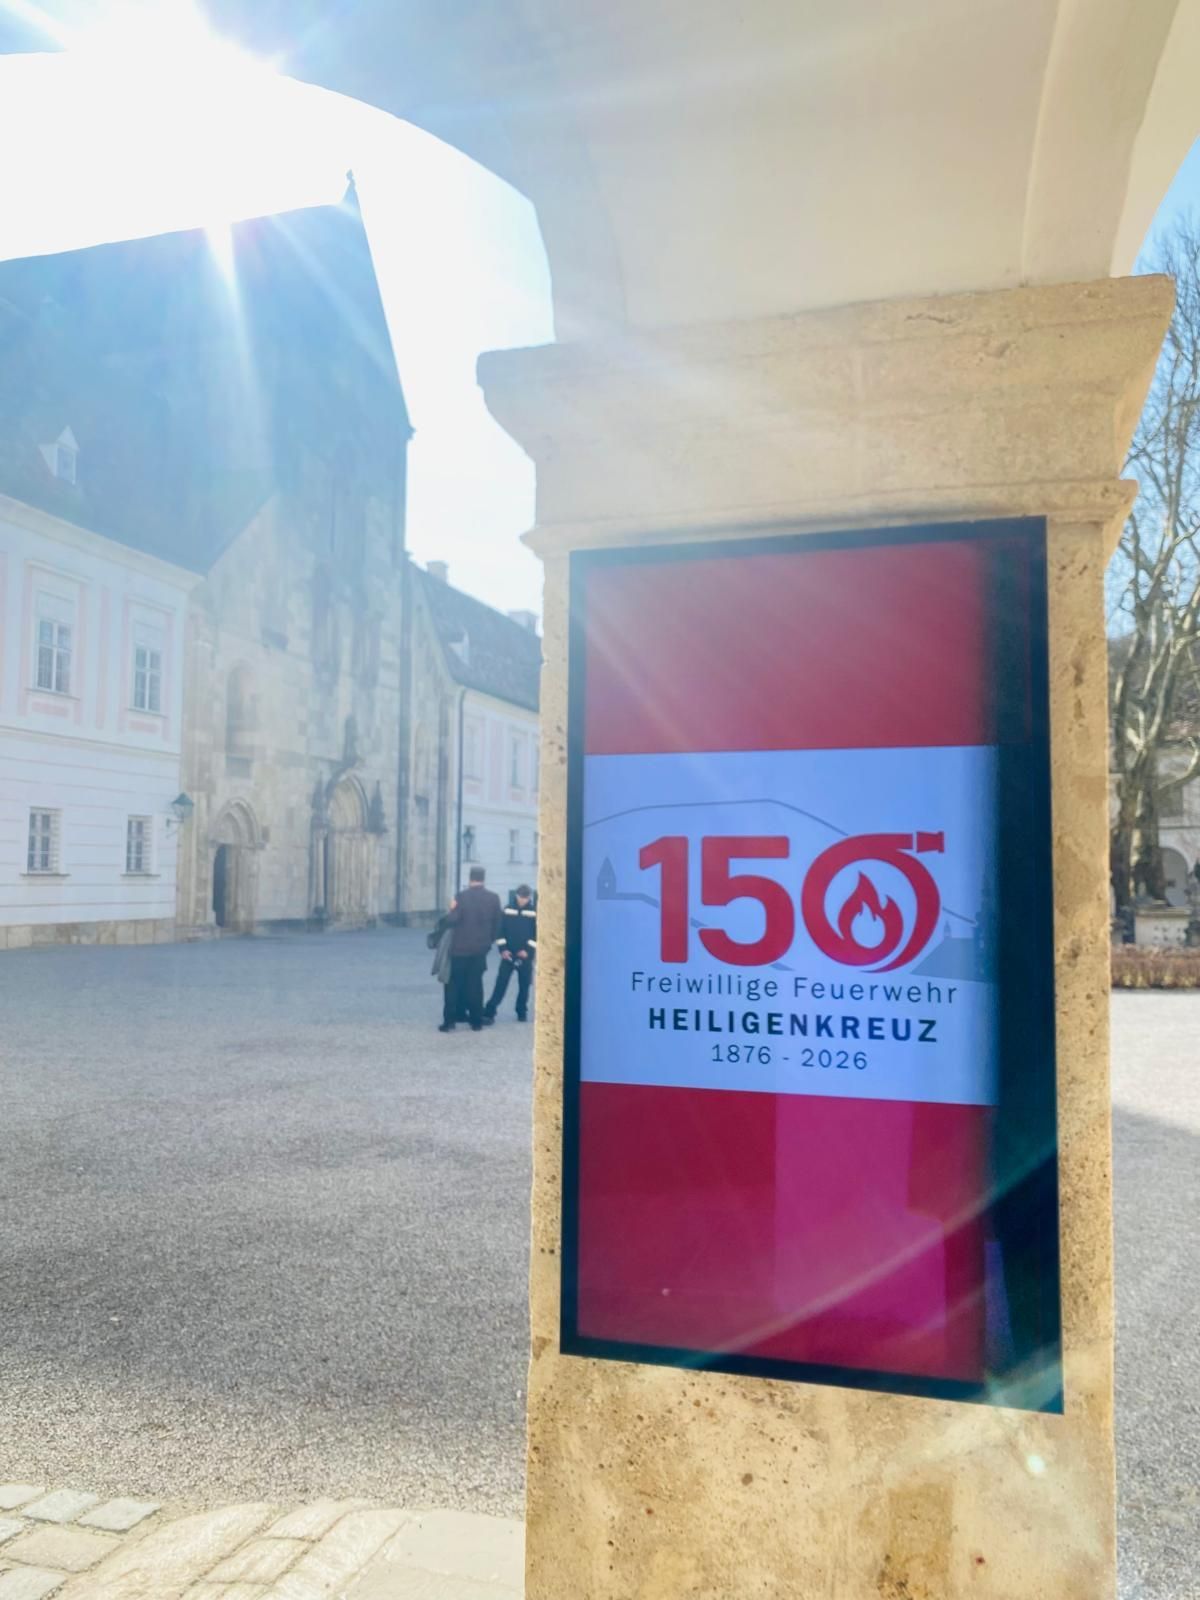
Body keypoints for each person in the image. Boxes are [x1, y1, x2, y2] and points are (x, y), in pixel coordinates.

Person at [438, 865, 503, 1032]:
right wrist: (488, 942)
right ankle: (476, 1021)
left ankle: (450, 1021)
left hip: (459, 949)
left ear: (470, 879)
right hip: (480, 949)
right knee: (475, 984)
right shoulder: (493, 898)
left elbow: (452, 920)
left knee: (453, 985)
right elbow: (498, 924)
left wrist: (451, 910)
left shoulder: (462, 897)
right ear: (483, 879)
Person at [484, 884, 537, 1023]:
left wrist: (528, 951)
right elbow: (499, 932)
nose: (523, 900)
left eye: (526, 898)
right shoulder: (507, 909)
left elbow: (537, 935)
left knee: (524, 986)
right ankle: (490, 1011)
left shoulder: (535, 912)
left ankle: (521, 1011)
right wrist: (503, 950)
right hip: (508, 954)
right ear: (517, 896)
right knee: (501, 983)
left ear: (529, 897)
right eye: (521, 897)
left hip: (525, 956)